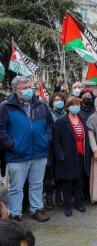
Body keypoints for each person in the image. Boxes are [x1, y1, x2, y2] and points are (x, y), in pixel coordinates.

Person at [0, 76, 52, 222]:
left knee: (37, 184)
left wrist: (46, 140)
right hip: (18, 154)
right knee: (16, 187)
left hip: (40, 153)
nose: (29, 90)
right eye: (25, 88)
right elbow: (1, 130)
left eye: (30, 87)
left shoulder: (41, 106)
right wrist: (13, 145)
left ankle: (37, 210)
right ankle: (15, 214)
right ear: (15, 90)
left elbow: (50, 125)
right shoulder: (5, 108)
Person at [53, 96, 90, 216]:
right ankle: (67, 205)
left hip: (80, 155)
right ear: (68, 107)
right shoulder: (60, 122)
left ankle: (78, 203)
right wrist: (61, 156)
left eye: (78, 104)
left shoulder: (83, 119)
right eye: (73, 105)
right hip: (67, 156)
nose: (76, 107)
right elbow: (56, 141)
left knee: (79, 180)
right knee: (67, 182)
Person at [44, 92, 67, 211]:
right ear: (52, 102)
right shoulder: (48, 114)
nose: (59, 102)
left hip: (63, 148)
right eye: (56, 99)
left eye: (61, 99)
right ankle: (49, 198)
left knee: (60, 173)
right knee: (49, 174)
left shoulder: (66, 114)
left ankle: (58, 196)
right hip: (50, 149)